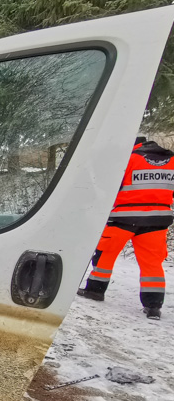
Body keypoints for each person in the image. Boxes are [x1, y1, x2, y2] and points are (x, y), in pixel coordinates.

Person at [77, 137, 174, 319]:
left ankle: (95, 291)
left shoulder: (128, 159)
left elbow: (111, 187)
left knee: (105, 254)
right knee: (152, 263)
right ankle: (153, 306)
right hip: (157, 220)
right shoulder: (172, 161)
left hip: (123, 218)